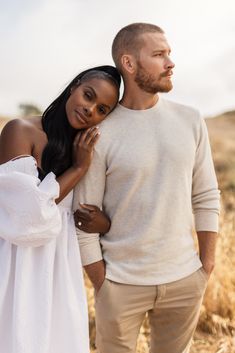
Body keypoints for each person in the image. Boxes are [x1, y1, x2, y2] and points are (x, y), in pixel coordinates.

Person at [73, 23, 220, 353]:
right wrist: (102, 283)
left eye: (169, 54)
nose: (170, 63)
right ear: (129, 63)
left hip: (184, 279)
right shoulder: (100, 132)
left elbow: (207, 194)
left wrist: (205, 266)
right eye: (158, 55)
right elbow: (83, 218)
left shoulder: (191, 120)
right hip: (120, 284)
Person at [0, 65, 121, 353]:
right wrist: (78, 168)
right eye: (88, 95)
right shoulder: (20, 130)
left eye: (102, 109)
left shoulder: (85, 148)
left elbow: (89, 215)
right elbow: (26, 215)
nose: (90, 109)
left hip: (59, 269)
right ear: (74, 86)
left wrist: (102, 222)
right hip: (16, 262)